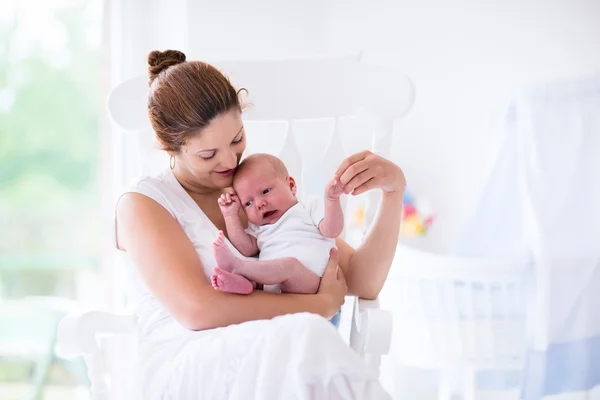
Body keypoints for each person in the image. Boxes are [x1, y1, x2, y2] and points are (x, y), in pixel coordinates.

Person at [115, 49, 406, 399]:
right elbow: (198, 309)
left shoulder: (256, 191)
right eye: (208, 154)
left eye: (237, 139)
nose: (228, 160)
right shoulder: (143, 203)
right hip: (188, 363)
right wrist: (317, 306)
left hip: (276, 350)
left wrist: (393, 191)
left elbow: (362, 279)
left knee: (305, 347)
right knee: (309, 340)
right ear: (168, 147)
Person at [211, 153, 345, 296]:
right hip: (275, 288)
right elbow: (246, 249)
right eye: (248, 203)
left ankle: (237, 266)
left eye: (265, 191)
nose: (259, 204)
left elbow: (332, 231)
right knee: (259, 270)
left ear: (291, 186)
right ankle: (245, 285)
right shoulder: (259, 227)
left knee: (290, 265)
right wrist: (230, 215)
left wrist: (331, 199)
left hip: (314, 282)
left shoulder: (308, 207)